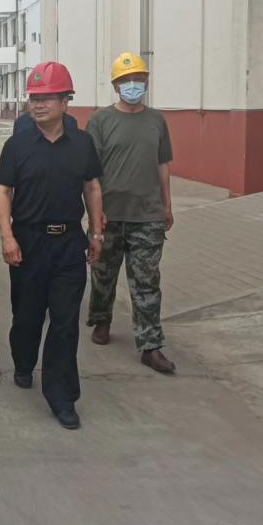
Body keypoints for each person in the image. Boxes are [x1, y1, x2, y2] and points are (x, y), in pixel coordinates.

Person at [0, 62, 104, 430]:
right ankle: (24, 362)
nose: (38, 105)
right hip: (28, 242)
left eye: (47, 98)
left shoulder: (83, 143)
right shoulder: (17, 145)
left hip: (69, 243)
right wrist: (7, 236)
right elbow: (3, 191)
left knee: (65, 322)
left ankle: (62, 396)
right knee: (27, 316)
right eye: (34, 98)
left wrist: (96, 233)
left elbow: (92, 187)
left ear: (66, 101)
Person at [85, 52, 177, 374]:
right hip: (109, 215)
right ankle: (101, 319)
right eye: (126, 80)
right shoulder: (99, 121)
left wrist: (167, 205)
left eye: (138, 78)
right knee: (103, 275)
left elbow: (163, 165)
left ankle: (150, 346)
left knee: (147, 282)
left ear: (147, 82)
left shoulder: (157, 121)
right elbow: (90, 174)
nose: (133, 85)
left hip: (147, 216)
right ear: (115, 86)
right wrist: (95, 216)